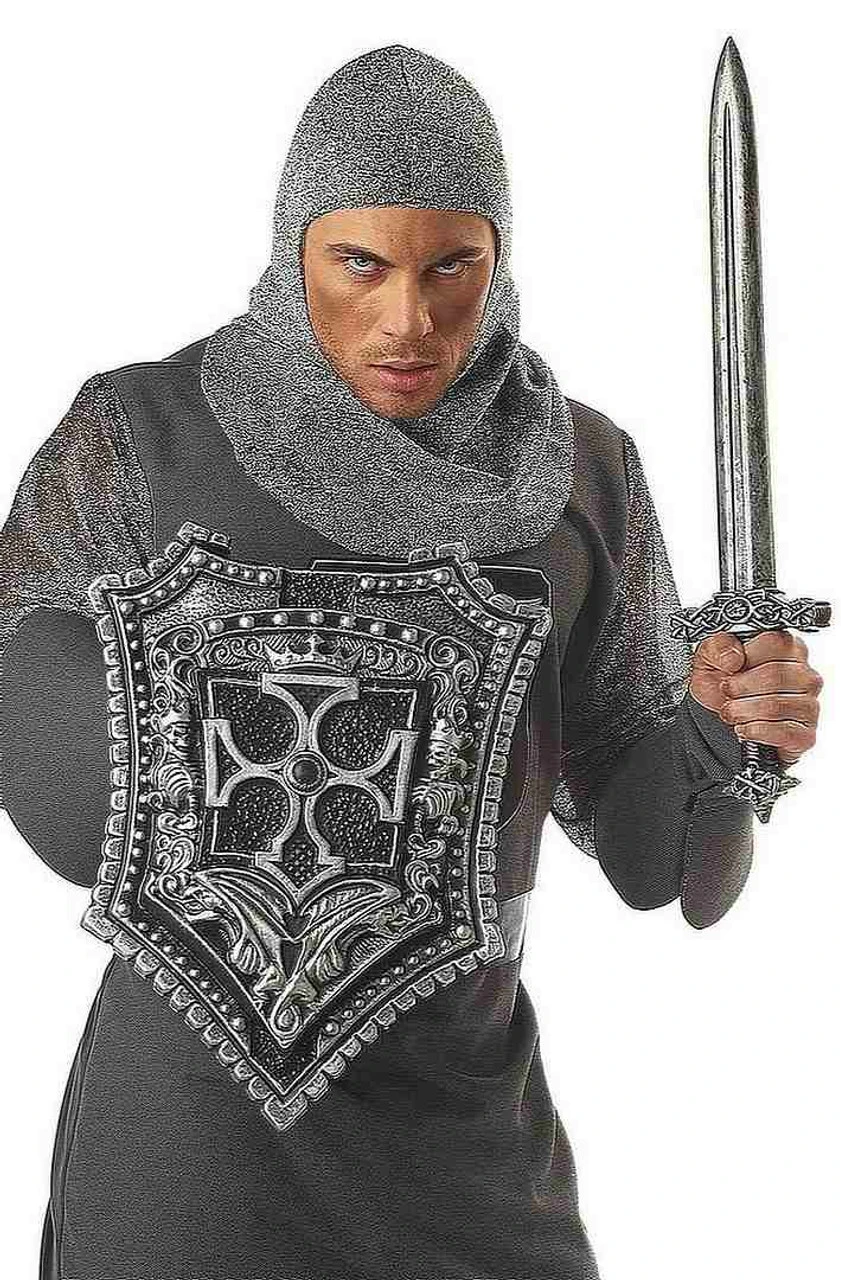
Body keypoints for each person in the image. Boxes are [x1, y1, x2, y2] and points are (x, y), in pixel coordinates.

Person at [0, 42, 823, 1280]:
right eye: (360, 263)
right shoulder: (140, 437)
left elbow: (668, 866)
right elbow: (38, 741)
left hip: (466, 1139)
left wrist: (720, 732)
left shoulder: (579, 468)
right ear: (294, 251)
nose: (409, 319)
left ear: (500, 257)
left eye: (452, 266)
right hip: (190, 1156)